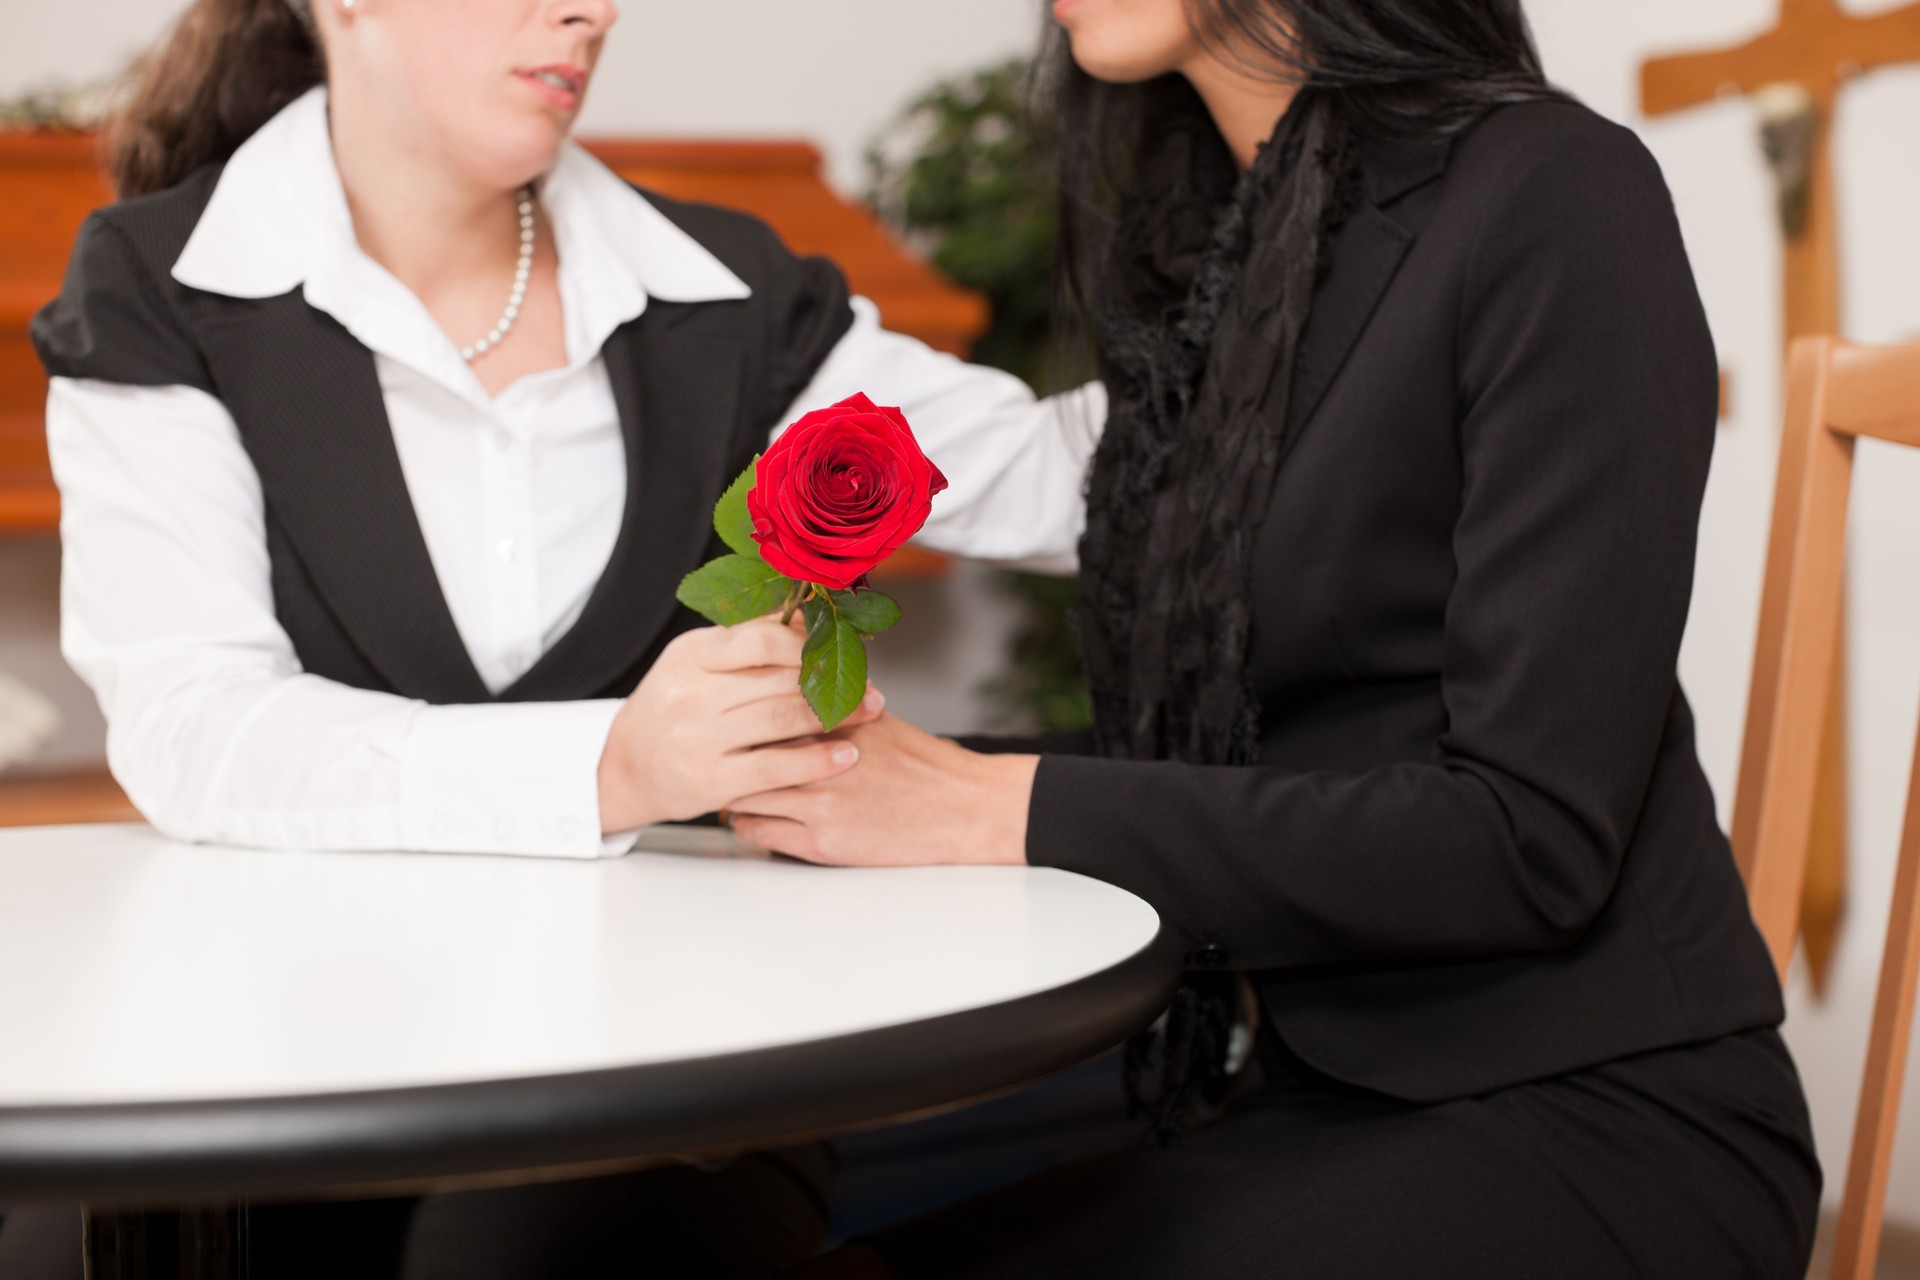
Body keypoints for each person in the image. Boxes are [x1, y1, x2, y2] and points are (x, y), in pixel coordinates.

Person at [737, 2, 1826, 1276]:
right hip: (1293, 1084)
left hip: (1600, 1109)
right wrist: (832, 780)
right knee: (716, 1211)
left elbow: (1532, 839)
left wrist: (997, 805)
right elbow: (1252, 743)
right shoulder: (1218, 245)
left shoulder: (1555, 192)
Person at [18, 0, 1102, 1274]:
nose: (588, 9)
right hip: (282, 1031)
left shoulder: (728, 290)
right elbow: (195, 722)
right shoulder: (164, 288)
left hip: (661, 1066)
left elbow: (1074, 480)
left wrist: (1338, 308)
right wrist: (613, 767)